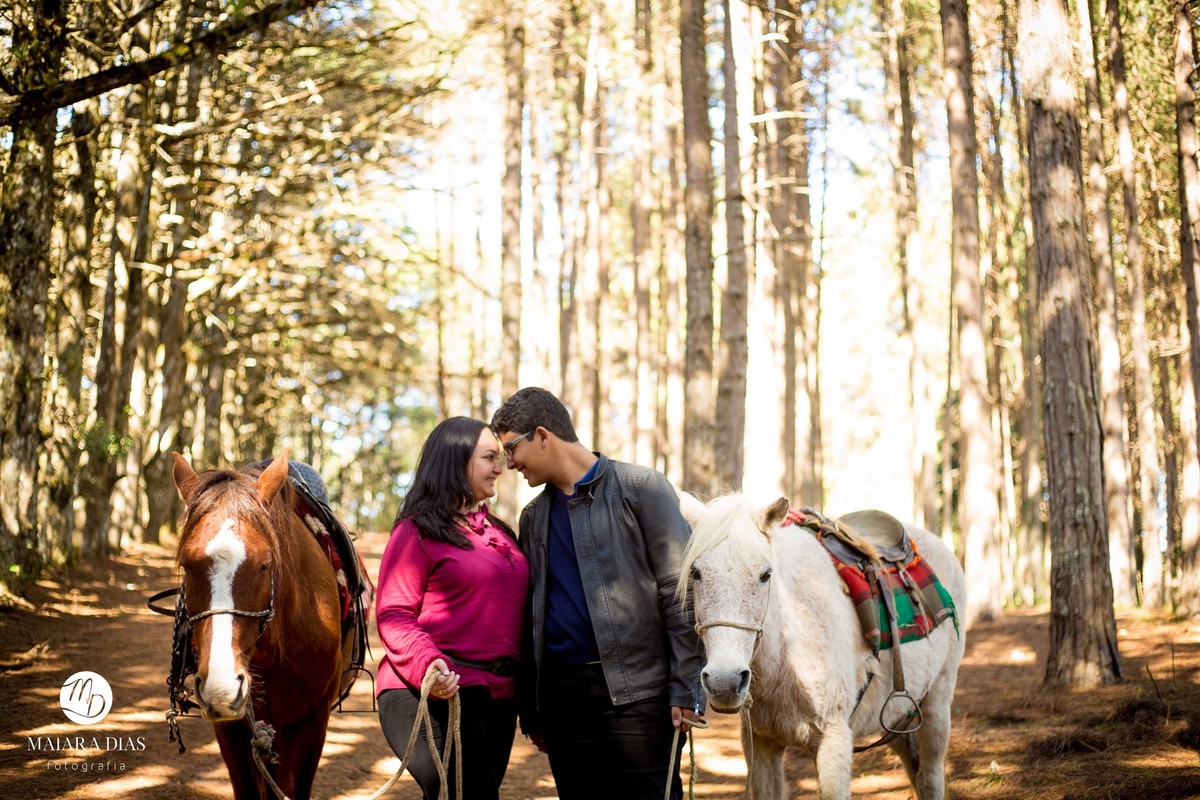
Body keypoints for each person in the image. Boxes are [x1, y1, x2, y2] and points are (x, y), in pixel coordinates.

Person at [490, 387, 705, 800]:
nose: (509, 463)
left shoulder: (643, 488)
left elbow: (680, 593)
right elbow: (534, 614)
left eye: (511, 448)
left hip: (639, 695)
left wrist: (686, 685)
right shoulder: (532, 516)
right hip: (563, 700)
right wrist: (535, 708)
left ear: (542, 435)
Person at [375, 416, 529, 800]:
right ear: (456, 460)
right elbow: (394, 615)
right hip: (429, 690)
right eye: (489, 457)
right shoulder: (416, 531)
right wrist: (429, 663)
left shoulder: (502, 534)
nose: (501, 467)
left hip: (498, 695)